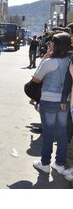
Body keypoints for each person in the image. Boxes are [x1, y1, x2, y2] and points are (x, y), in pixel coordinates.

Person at [32, 32, 71, 174]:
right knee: (62, 133)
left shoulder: (50, 62)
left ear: (56, 46)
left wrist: (44, 57)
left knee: (48, 133)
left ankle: (45, 164)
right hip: (64, 101)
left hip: (48, 100)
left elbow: (36, 78)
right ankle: (59, 164)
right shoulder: (69, 61)